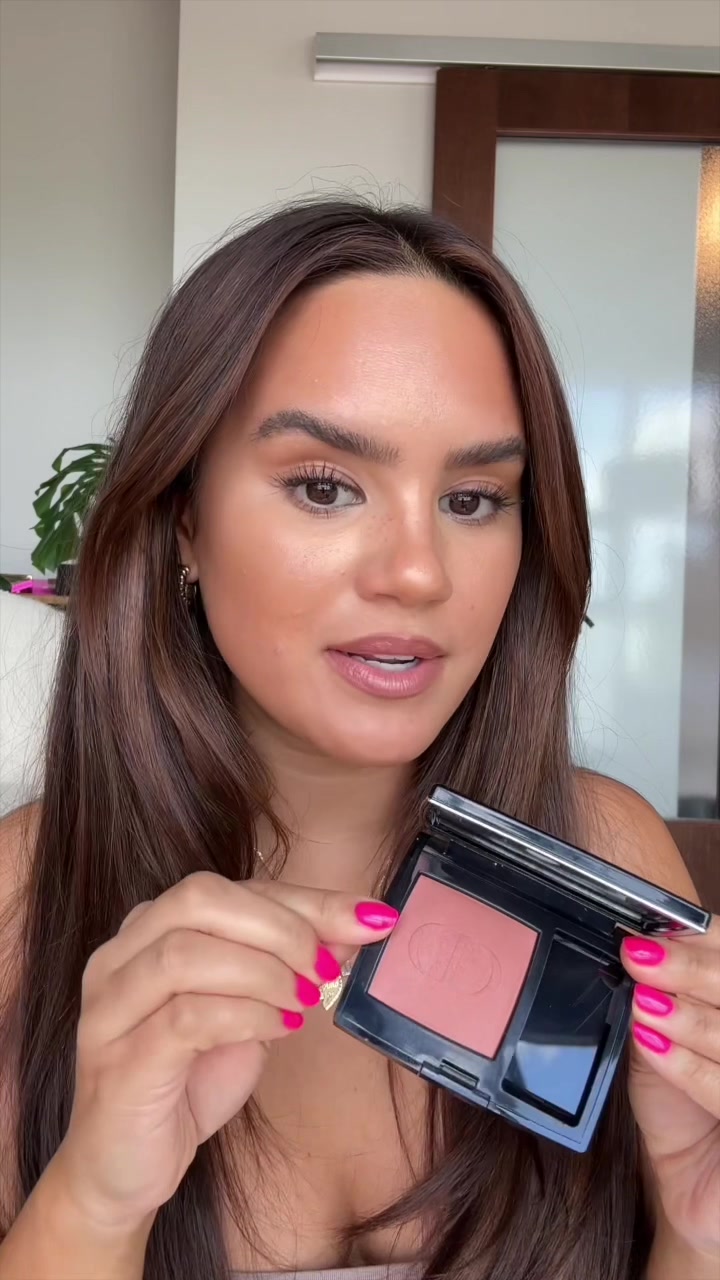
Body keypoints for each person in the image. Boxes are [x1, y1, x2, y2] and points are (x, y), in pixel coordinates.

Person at [0, 200, 717, 1280]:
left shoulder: (602, 848)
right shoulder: (24, 896)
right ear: (185, 517)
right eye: (326, 487)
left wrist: (700, 1237)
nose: (418, 572)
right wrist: (95, 1203)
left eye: (473, 499)